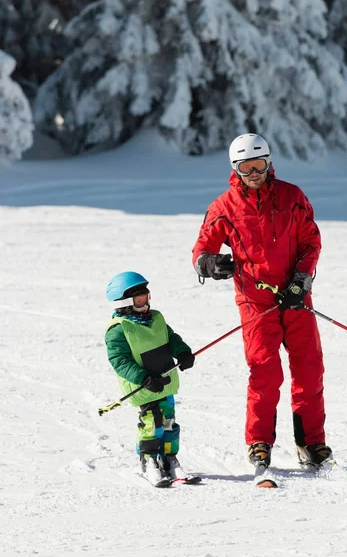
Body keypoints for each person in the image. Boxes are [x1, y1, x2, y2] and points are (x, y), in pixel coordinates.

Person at [192, 133, 332, 477]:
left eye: (259, 165)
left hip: (296, 297)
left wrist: (302, 279)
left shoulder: (292, 196)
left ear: (270, 163)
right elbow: (201, 250)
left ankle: (310, 443)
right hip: (256, 302)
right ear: (234, 169)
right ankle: (259, 442)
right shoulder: (224, 206)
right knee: (265, 371)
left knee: (309, 368)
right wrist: (212, 264)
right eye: (245, 167)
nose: (254, 173)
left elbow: (310, 242)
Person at [105, 271, 195, 486]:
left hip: (165, 382)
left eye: (146, 297)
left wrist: (182, 352)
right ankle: (148, 460)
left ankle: (168, 458)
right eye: (139, 300)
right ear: (125, 302)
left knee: (169, 423)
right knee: (151, 424)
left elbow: (170, 338)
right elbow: (120, 361)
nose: (145, 303)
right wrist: (142, 377)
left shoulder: (156, 318)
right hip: (145, 386)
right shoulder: (118, 330)